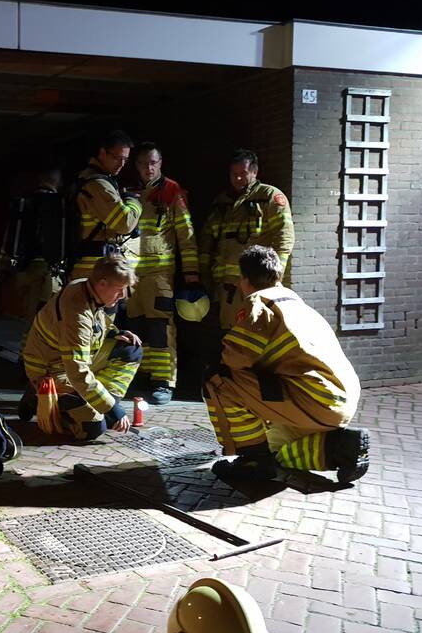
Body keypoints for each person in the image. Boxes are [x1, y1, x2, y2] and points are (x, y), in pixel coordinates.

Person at [204, 245, 369, 482]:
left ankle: (253, 462)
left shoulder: (259, 305)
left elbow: (233, 359)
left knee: (217, 379)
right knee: (273, 446)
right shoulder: (297, 304)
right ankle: (339, 449)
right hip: (337, 401)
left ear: (244, 279)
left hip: (312, 401)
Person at [17, 255, 142, 439]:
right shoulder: (77, 313)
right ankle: (38, 397)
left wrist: (115, 333)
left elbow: (95, 322)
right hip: (52, 370)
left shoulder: (85, 285)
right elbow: (78, 372)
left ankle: (100, 404)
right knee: (94, 428)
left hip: (70, 360)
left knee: (130, 350)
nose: (123, 296)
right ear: (102, 284)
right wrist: (113, 410)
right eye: (120, 290)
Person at [127, 141, 199, 405]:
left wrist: (191, 272)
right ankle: (141, 373)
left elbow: (186, 234)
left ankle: (163, 382)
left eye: (153, 162)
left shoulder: (172, 191)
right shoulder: (130, 191)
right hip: (131, 274)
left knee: (160, 327)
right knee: (135, 324)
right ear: (136, 165)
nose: (149, 168)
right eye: (144, 163)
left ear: (161, 163)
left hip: (160, 273)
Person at [199, 150, 294, 342]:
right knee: (229, 336)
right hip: (227, 287)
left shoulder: (269, 197)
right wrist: (204, 275)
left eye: (243, 173)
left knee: (255, 334)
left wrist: (275, 275)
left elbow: (285, 238)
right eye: (234, 174)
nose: (238, 178)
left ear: (255, 172)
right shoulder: (221, 203)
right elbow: (208, 241)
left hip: (257, 284)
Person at [0, 165, 65, 354]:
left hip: (24, 269)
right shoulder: (59, 204)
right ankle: (37, 360)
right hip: (50, 270)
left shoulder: (23, 203)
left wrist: (3, 266)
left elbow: (9, 236)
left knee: (30, 319)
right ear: (57, 182)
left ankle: (24, 358)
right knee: (49, 319)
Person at [66, 130, 141, 281]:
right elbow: (125, 223)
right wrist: (134, 201)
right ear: (102, 153)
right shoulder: (98, 184)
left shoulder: (89, 178)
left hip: (94, 268)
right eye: (117, 158)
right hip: (95, 271)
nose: (121, 164)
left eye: (125, 160)